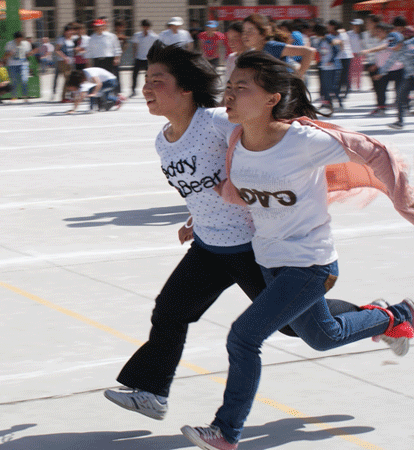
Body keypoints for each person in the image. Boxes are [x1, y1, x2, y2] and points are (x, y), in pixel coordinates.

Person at [181, 50, 414, 450]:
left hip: (310, 263)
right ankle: (394, 315)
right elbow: (237, 192)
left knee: (243, 338)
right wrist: (197, 218)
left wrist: (405, 202)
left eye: (241, 88)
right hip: (270, 262)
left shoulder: (302, 140)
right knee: (323, 337)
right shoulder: (237, 140)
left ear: (272, 99)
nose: (228, 95)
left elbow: (375, 151)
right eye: (228, 86)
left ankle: (226, 431)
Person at [103, 42, 367, 422]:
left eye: (157, 80)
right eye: (146, 79)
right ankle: (151, 392)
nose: (146, 88)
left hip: (251, 248)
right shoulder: (163, 141)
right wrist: (194, 219)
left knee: (298, 328)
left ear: (185, 88)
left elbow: (269, 139)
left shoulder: (217, 122)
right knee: (170, 311)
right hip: (209, 247)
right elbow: (201, 187)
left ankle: (375, 316)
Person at [381, 27, 414, 129]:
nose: (393, 48)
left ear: (400, 42)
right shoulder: (396, 52)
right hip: (410, 77)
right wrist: (381, 73)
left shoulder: (411, 44)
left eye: (395, 45)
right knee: (400, 96)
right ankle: (400, 122)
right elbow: (390, 62)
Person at [241, 14, 315, 79]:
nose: (245, 35)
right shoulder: (254, 52)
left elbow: (309, 51)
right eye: (244, 31)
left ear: (262, 33)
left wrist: (298, 76)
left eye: (250, 31)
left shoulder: (271, 47)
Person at [360, 18, 407, 116]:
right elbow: (381, 56)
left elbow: (385, 46)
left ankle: (403, 108)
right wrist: (376, 65)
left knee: (399, 91)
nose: (377, 33)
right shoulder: (378, 41)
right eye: (376, 31)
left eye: (379, 31)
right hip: (384, 71)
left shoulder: (390, 39)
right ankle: (381, 108)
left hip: (397, 70)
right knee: (380, 90)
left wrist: (368, 51)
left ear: (386, 32)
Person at [85, 18, 122, 93]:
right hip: (97, 60)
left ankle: (116, 93)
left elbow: (117, 48)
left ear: (104, 26)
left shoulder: (111, 36)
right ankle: (101, 93)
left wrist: (116, 58)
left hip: (109, 59)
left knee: (112, 77)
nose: (98, 28)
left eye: (100, 26)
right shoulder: (92, 38)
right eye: (96, 26)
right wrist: (88, 62)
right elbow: (89, 51)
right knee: (99, 78)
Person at [314, 24, 343, 113]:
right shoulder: (321, 40)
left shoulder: (329, 38)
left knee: (330, 86)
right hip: (324, 66)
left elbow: (336, 50)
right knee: (325, 86)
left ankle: (338, 102)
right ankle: (327, 103)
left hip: (331, 67)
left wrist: (332, 60)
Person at [4, 31, 38, 102]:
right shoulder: (9, 44)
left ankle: (25, 96)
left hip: (24, 64)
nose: (19, 40)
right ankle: (13, 96)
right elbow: (5, 56)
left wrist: (31, 53)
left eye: (21, 38)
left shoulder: (26, 44)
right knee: (14, 81)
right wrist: (10, 54)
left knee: (24, 79)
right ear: (15, 39)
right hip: (12, 64)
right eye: (17, 39)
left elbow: (28, 53)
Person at [130, 19, 158, 97]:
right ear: (142, 27)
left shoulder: (154, 36)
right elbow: (135, 46)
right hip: (139, 57)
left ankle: (149, 90)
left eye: (147, 26)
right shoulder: (137, 35)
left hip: (148, 59)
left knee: (148, 76)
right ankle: (133, 89)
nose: (146, 28)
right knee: (134, 75)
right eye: (144, 26)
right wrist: (134, 56)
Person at [328, 20, 353, 98]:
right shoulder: (336, 33)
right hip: (340, 57)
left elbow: (340, 43)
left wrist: (329, 40)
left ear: (334, 26)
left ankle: (345, 91)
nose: (328, 27)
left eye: (329, 25)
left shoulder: (342, 34)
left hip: (345, 57)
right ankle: (338, 91)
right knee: (339, 75)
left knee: (343, 75)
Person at [53, 24, 76, 100]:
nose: (70, 32)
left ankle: (70, 95)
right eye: (69, 31)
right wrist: (64, 57)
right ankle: (64, 97)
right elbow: (57, 50)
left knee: (71, 79)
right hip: (63, 62)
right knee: (67, 78)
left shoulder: (72, 39)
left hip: (71, 61)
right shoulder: (61, 39)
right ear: (65, 32)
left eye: (71, 30)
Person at [348, 18, 365, 92]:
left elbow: (364, 45)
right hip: (351, 54)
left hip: (359, 54)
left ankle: (358, 86)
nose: (355, 26)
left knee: (359, 71)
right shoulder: (349, 34)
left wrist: (362, 54)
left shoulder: (363, 34)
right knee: (350, 71)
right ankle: (350, 86)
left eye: (357, 25)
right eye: (354, 25)